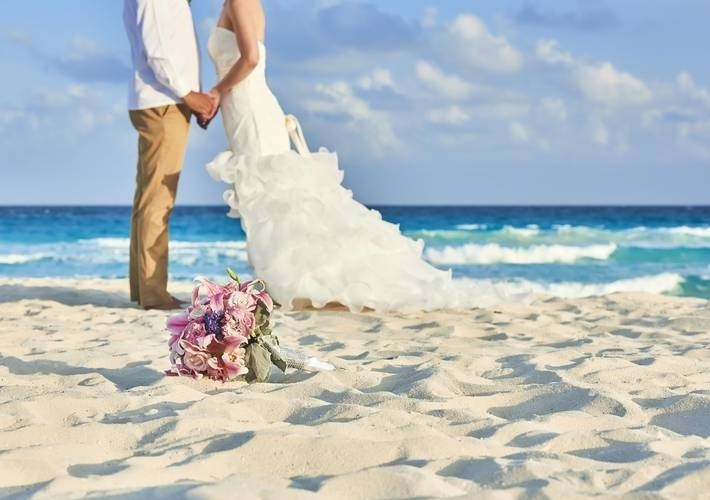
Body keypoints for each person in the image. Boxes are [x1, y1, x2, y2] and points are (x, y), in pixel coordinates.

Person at [205, 0, 507, 312]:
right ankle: (279, 279)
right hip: (246, 107)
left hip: (250, 109)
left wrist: (215, 92)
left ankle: (287, 282)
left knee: (270, 193)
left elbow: (251, 58)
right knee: (266, 195)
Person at [123, 0, 218, 310]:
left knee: (148, 199)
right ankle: (152, 293)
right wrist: (190, 95)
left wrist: (192, 96)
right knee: (157, 200)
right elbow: (158, 51)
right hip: (163, 102)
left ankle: (145, 289)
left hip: (162, 100)